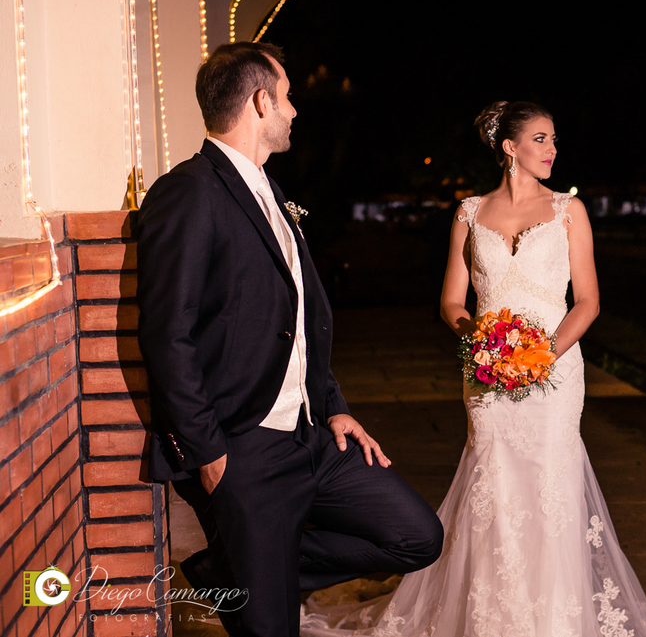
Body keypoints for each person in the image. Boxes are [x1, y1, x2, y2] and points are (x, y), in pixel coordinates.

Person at [300, 101, 646, 637]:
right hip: (486, 376)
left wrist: (544, 353)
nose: (552, 149)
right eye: (541, 139)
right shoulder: (469, 213)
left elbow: (587, 301)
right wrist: (478, 339)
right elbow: (452, 300)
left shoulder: (570, 211)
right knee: (493, 483)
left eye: (553, 140)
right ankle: (489, 616)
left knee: (550, 484)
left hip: (556, 374)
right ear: (509, 147)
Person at [138, 42, 443, 637]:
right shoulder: (190, 192)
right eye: (287, 96)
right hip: (243, 448)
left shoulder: (270, 192)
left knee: (415, 535)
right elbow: (167, 332)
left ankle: (227, 570)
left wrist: (333, 408)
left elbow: (294, 324)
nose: (295, 111)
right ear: (259, 100)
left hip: (310, 438)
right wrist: (211, 455)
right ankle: (249, 576)